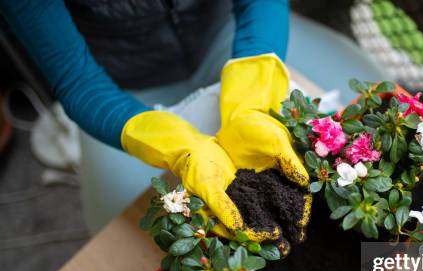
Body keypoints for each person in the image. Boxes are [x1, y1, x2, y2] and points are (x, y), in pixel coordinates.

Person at [0, 0, 311, 243]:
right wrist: (176, 146)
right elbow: (74, 77)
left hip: (233, 41)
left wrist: (249, 104)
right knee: (121, 232)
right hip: (122, 86)